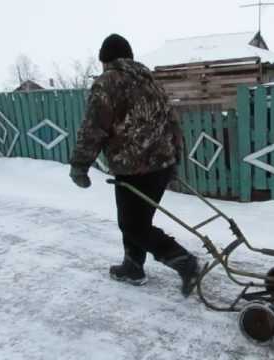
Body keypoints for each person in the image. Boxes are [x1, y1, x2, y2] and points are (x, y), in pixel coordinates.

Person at [69, 34, 200, 297]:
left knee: (133, 224)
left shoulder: (107, 83)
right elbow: (172, 122)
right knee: (137, 220)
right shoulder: (150, 80)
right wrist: (175, 158)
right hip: (160, 166)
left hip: (133, 168)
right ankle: (132, 266)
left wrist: (80, 165)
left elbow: (94, 128)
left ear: (105, 61)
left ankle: (183, 261)